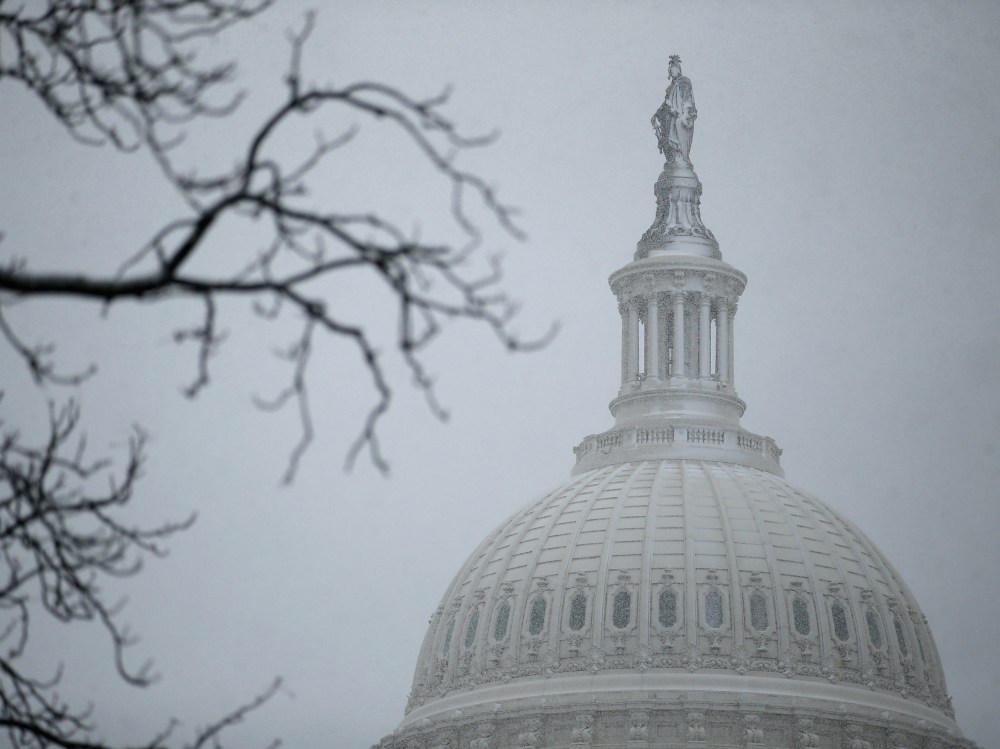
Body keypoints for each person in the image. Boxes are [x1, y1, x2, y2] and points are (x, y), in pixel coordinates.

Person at [651, 55, 697, 166]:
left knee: (677, 125)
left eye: (674, 70)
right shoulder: (670, 87)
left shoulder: (684, 82)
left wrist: (682, 112)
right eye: (670, 71)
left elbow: (687, 99)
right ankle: (672, 157)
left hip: (679, 115)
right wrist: (657, 113)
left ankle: (680, 157)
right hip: (669, 115)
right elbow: (666, 102)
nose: (672, 73)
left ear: (679, 70)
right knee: (667, 131)